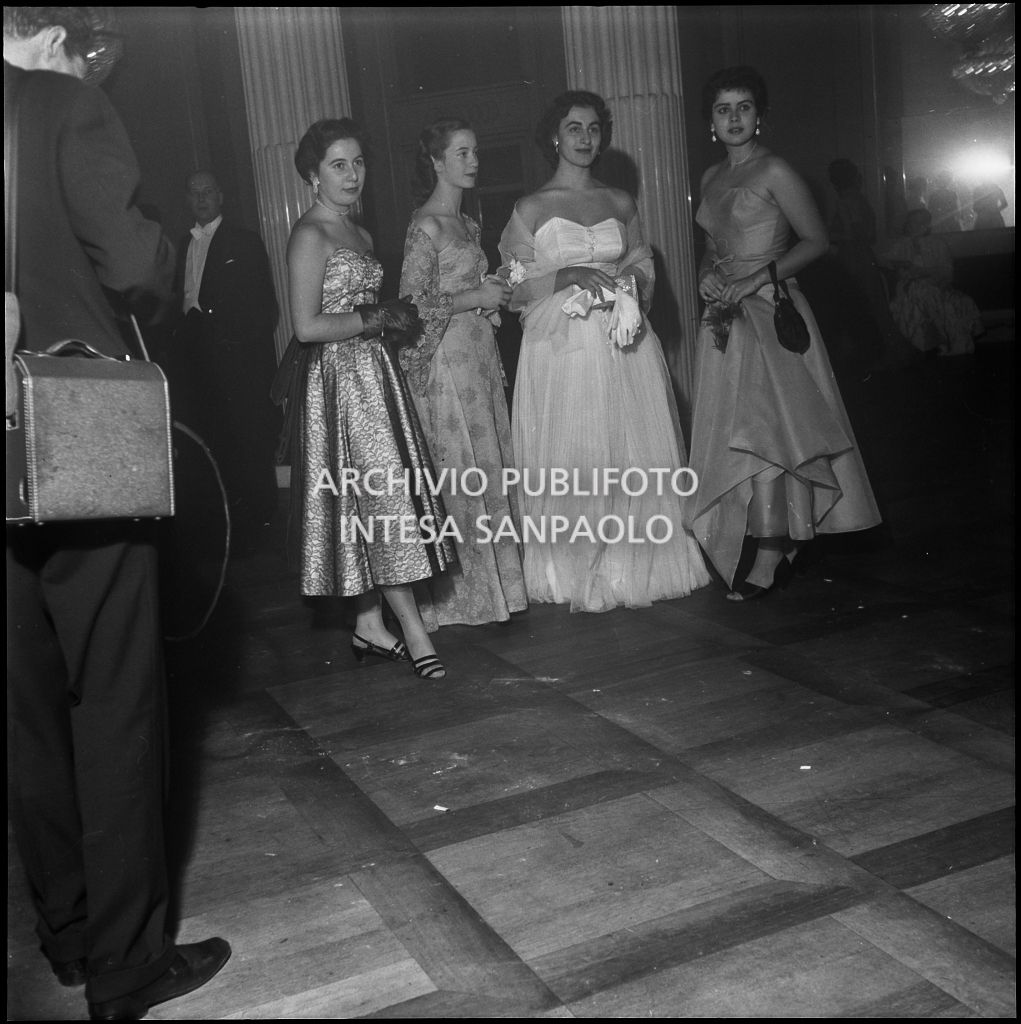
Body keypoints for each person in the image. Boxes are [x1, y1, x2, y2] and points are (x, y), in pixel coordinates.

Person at [4, 7, 230, 1020]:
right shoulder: (61, 104)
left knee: (24, 710)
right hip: (75, 434)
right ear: (51, 36)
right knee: (116, 697)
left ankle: (65, 933)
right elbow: (136, 263)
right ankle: (127, 961)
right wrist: (168, 251)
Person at [498, 90, 711, 612]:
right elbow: (512, 286)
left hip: (622, 341)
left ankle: (633, 567)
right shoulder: (530, 207)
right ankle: (574, 568)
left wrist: (631, 283)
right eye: (575, 128)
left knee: (628, 445)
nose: (586, 138)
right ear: (555, 136)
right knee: (577, 447)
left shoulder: (620, 201)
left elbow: (642, 261)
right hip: (560, 347)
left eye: (594, 129)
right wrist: (566, 274)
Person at [689, 66, 881, 600]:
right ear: (710, 120)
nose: (733, 117)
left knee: (771, 429)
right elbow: (714, 243)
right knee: (743, 430)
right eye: (723, 108)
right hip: (727, 316)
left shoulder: (776, 170)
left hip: (773, 311)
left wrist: (755, 277)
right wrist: (708, 270)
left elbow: (817, 240)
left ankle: (773, 550)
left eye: (744, 107)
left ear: (760, 116)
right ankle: (778, 536)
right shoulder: (710, 178)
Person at [282, 117, 454, 678]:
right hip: (337, 384)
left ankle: (368, 623)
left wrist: (389, 324)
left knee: (381, 501)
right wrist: (374, 316)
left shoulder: (362, 236)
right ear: (313, 174)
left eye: (358, 163)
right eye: (338, 165)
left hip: (375, 377)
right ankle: (414, 629)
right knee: (376, 501)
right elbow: (306, 326)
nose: (352, 174)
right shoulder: (310, 235)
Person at [398, 117, 527, 627]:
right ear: (435, 162)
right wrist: (475, 297)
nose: (473, 162)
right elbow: (410, 309)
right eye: (461, 154)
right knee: (461, 472)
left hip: (478, 357)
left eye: (475, 153)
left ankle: (502, 590)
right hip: (446, 364)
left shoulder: (469, 224)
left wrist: (490, 302)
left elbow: (460, 294)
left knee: (488, 462)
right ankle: (460, 598)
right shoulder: (424, 225)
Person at [172, 169, 281, 553]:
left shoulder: (244, 241)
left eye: (208, 191)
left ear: (220, 196)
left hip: (235, 358)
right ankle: (221, 521)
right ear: (187, 199)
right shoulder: (178, 244)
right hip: (193, 357)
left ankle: (262, 521)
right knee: (208, 437)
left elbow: (264, 307)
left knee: (246, 438)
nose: (201, 199)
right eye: (194, 192)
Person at [882, 207, 983, 356]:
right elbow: (887, 262)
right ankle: (932, 343)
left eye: (921, 222)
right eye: (913, 222)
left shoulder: (938, 244)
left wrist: (933, 278)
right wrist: (900, 265)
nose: (915, 226)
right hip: (909, 288)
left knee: (946, 299)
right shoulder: (901, 244)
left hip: (936, 285)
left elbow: (946, 272)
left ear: (927, 225)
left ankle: (946, 343)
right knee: (920, 292)